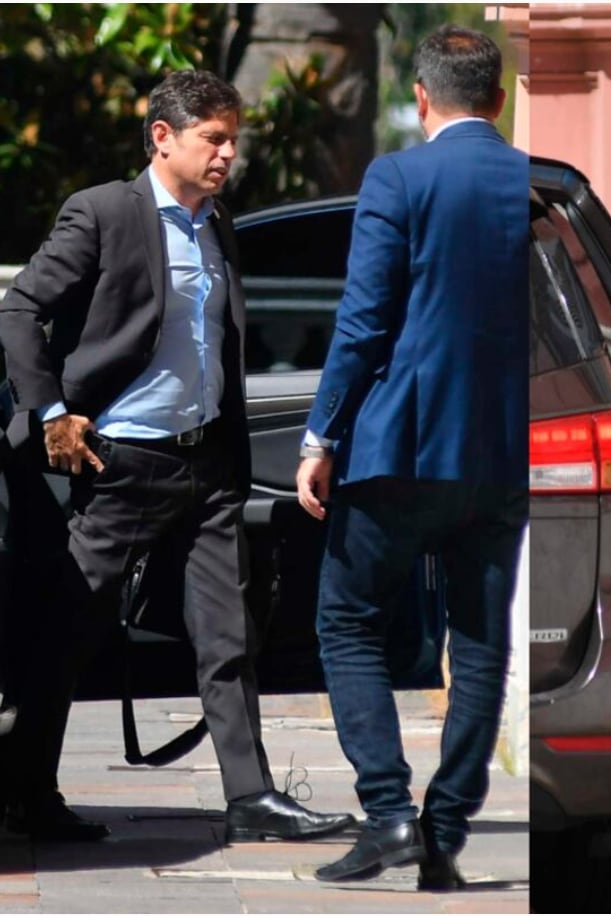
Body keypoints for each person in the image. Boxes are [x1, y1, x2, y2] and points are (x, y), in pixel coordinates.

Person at [0, 69, 353, 844]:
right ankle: (25, 786)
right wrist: (53, 412)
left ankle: (252, 797)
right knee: (70, 629)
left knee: (228, 637)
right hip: (119, 464)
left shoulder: (217, 223)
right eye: (214, 139)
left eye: (234, 138)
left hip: (207, 467)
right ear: (163, 138)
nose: (229, 153)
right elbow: (21, 306)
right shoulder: (102, 214)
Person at [294, 24, 527, 890]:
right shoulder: (534, 182)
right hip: (501, 456)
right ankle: (445, 829)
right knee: (481, 645)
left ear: (422, 99)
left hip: (397, 450)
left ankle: (390, 815)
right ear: (497, 101)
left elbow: (362, 323)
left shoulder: (397, 175)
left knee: (346, 622)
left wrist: (320, 436)